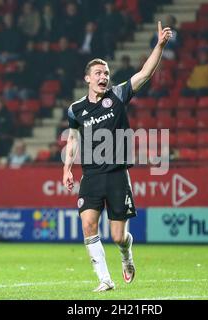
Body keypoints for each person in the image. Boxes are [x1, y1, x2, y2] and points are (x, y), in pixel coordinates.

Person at [63, 21, 173, 292]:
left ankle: (126, 255)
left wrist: (159, 45)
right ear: (87, 78)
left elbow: (145, 73)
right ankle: (105, 280)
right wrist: (67, 169)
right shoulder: (76, 109)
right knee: (88, 225)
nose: (104, 77)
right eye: (99, 73)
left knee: (117, 236)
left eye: (107, 73)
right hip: (90, 176)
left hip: (116, 175)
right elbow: (73, 139)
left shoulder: (118, 96)